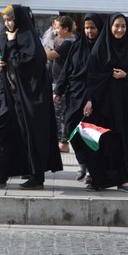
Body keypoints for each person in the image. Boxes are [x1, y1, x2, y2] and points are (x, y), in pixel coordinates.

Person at [0, 5, 62, 189]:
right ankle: (1, 172)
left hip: (28, 98)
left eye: (11, 20)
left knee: (29, 135)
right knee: (0, 130)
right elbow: (6, 59)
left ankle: (36, 175)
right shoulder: (8, 36)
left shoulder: (28, 39)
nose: (8, 24)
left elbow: (23, 64)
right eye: (5, 21)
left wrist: (11, 43)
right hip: (10, 95)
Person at [81, 12, 128, 193]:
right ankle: (98, 179)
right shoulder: (100, 49)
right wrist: (89, 100)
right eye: (116, 26)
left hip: (126, 104)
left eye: (123, 26)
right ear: (110, 27)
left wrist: (127, 75)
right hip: (103, 104)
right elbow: (92, 78)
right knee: (103, 140)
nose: (120, 30)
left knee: (123, 141)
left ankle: (122, 180)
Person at [55, 12, 104, 182]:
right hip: (74, 95)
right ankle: (83, 162)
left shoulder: (104, 48)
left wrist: (92, 98)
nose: (90, 31)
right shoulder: (77, 45)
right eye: (87, 27)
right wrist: (58, 91)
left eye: (93, 28)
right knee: (70, 129)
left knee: (90, 134)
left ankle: (92, 169)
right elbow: (67, 69)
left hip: (94, 98)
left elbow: (101, 77)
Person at [46, 15, 76, 153]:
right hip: (58, 82)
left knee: (60, 113)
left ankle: (63, 142)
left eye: (58, 28)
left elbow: (51, 56)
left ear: (66, 28)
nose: (55, 30)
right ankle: (61, 141)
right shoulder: (65, 41)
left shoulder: (68, 43)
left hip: (61, 83)